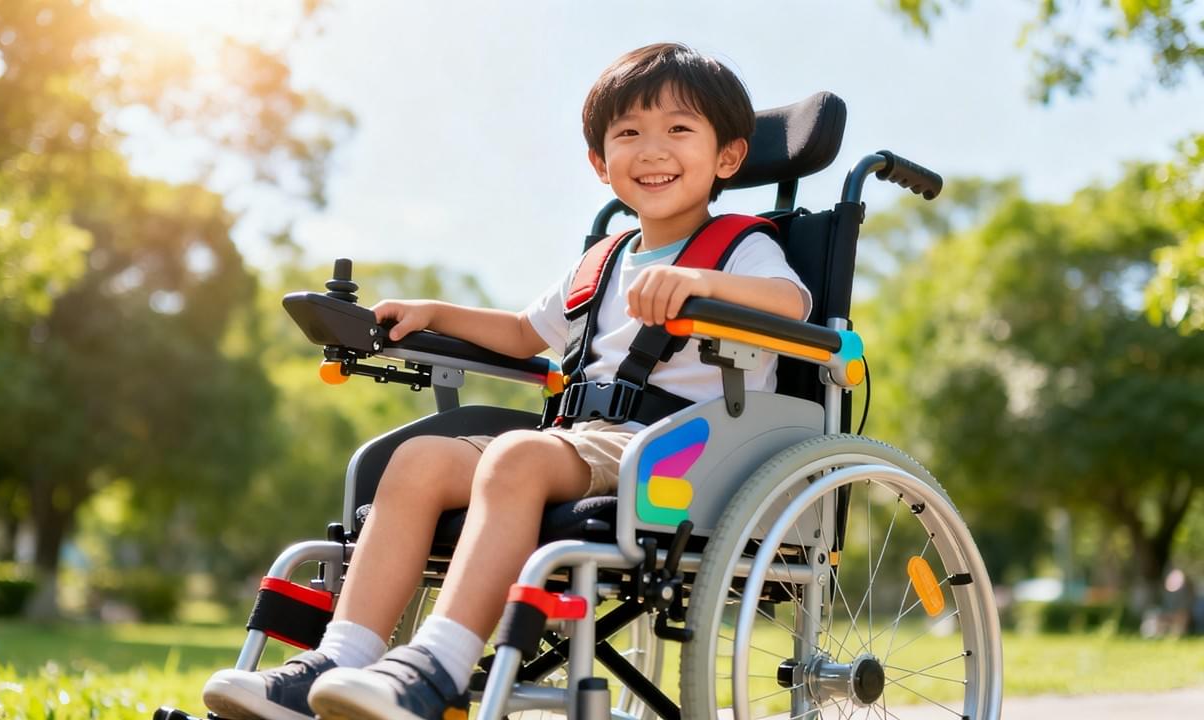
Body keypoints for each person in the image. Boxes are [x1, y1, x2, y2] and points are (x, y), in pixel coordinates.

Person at [202, 42, 812, 720]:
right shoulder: (603, 260)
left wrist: (700, 283)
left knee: (518, 456)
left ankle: (436, 665)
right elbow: (525, 333)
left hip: (680, 448)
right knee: (418, 461)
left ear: (727, 157)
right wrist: (436, 314)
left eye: (678, 129)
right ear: (600, 163)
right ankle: (341, 657)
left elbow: (793, 307)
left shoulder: (742, 246)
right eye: (629, 133)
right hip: (581, 440)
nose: (652, 149)